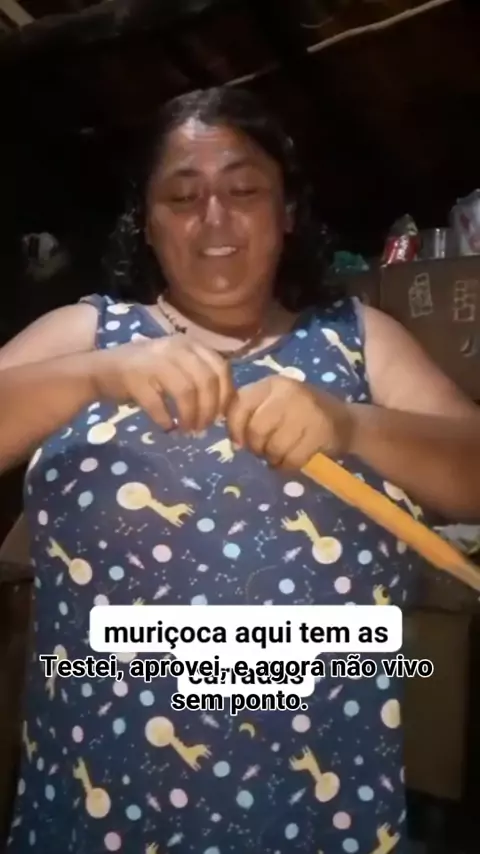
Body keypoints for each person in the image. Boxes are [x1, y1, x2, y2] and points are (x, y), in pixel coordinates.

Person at [2, 86, 479, 854]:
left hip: (319, 798)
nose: (214, 217)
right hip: (103, 796)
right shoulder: (87, 334)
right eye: (182, 196)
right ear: (148, 223)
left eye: (244, 190)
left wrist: (349, 422)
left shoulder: (358, 340)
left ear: (286, 211)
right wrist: (91, 375)